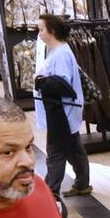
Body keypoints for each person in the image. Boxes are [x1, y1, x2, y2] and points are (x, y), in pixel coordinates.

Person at [36, 14, 91, 198]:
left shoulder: (60, 54)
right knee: (74, 149)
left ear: (52, 31)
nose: (40, 34)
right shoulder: (59, 51)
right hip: (63, 111)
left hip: (60, 113)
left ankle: (49, 194)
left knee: (55, 152)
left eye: (41, 30)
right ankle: (82, 184)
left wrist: (40, 81)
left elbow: (61, 85)